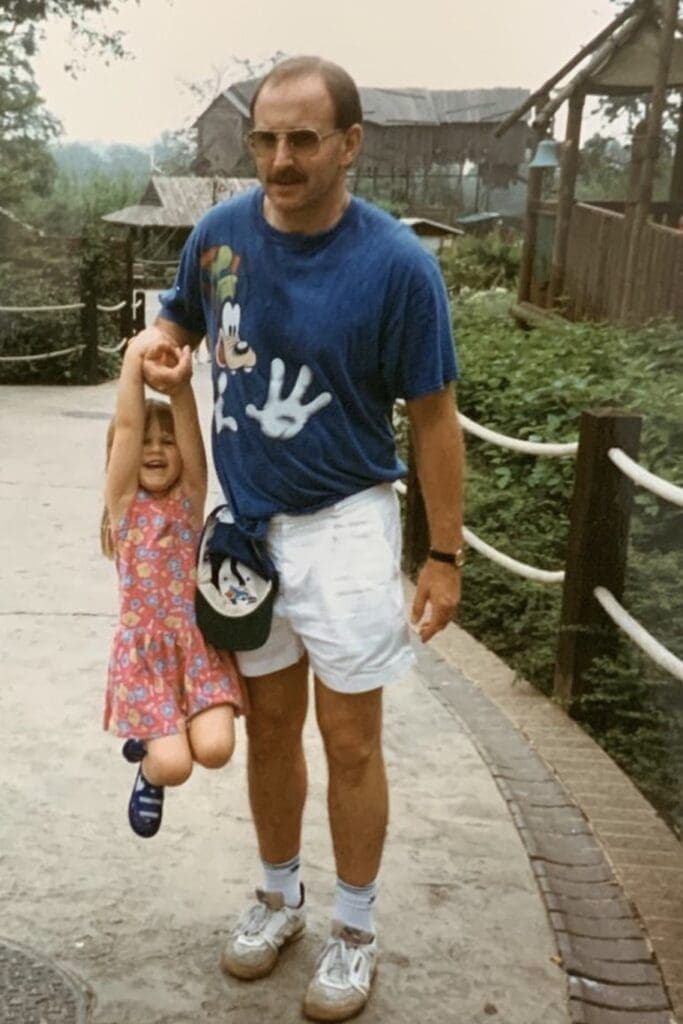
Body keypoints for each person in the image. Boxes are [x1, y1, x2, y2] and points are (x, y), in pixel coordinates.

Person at [137, 55, 465, 1021]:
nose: (278, 160)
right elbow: (177, 321)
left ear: (348, 145)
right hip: (245, 529)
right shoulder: (219, 235)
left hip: (348, 527)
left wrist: (443, 555)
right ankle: (278, 896)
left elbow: (435, 417)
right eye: (265, 140)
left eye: (301, 140)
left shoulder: (398, 266)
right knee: (270, 727)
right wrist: (165, 344)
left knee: (351, 740)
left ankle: (354, 929)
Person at [101, 334, 245, 838]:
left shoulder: (188, 501)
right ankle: (150, 766)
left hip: (196, 650)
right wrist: (133, 361)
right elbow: (127, 423)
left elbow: (189, 440)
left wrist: (181, 387)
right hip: (145, 663)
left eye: (166, 443)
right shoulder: (124, 506)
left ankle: (160, 738)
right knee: (175, 765)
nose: (158, 450)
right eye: (147, 442)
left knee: (215, 750)